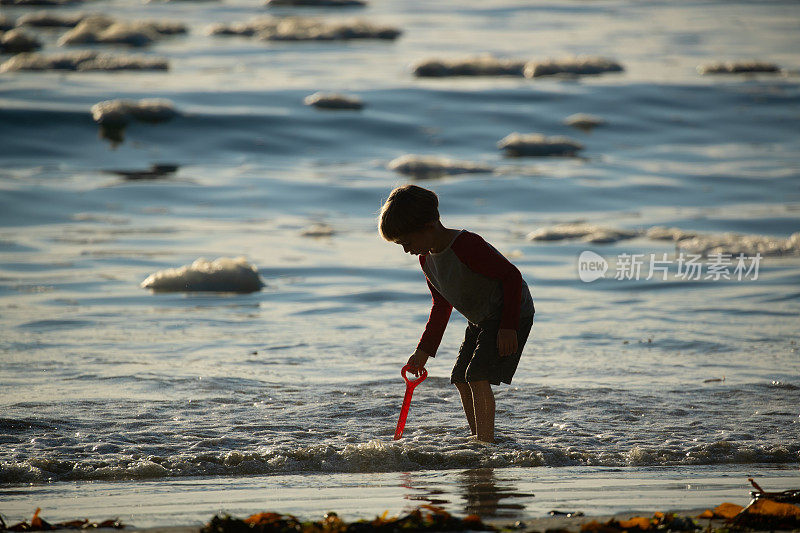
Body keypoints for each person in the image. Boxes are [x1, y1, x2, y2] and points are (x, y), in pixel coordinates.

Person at [378, 184, 534, 443]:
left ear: (429, 225)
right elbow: (441, 306)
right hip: (481, 318)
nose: (406, 250)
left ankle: (486, 443)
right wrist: (423, 352)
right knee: (461, 378)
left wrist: (508, 326)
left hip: (511, 311)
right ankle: (478, 438)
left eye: (407, 242)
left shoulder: (465, 245)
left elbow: (512, 277)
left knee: (477, 375)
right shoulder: (426, 260)